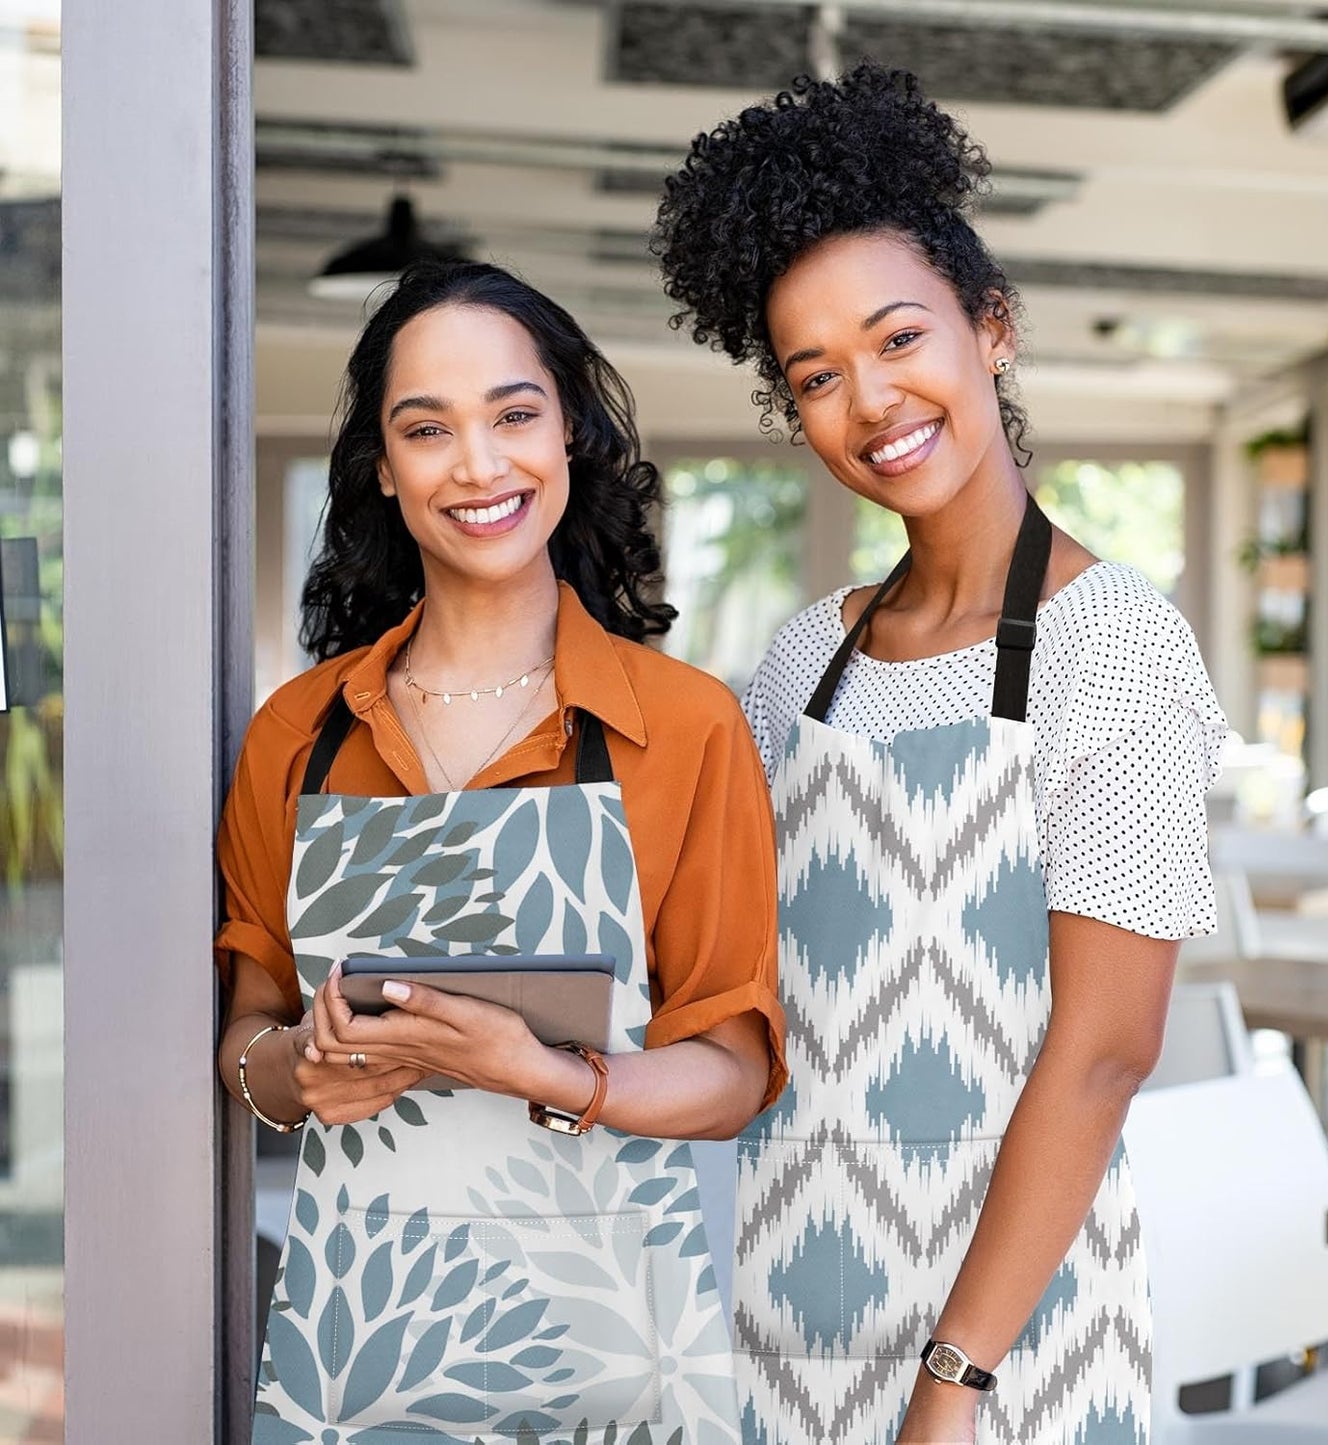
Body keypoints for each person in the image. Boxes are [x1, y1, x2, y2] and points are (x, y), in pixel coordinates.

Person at [654, 63, 1228, 1445]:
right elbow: (737, 986)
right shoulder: (802, 661)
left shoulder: (1119, 649)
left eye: (900, 337)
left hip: (1011, 1333)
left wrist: (951, 1383)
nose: (871, 399)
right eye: (817, 376)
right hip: (782, 1285)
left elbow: (1103, 1052)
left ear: (992, 328)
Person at [214, 259, 786, 1445]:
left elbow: (732, 1067)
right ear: (385, 467)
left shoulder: (681, 726)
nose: (478, 465)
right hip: (356, 1361)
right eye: (428, 429)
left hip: (619, 1366)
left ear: (568, 432)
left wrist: (548, 1073)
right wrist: (290, 1071)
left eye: (514, 415)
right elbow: (248, 1026)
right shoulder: (296, 733)